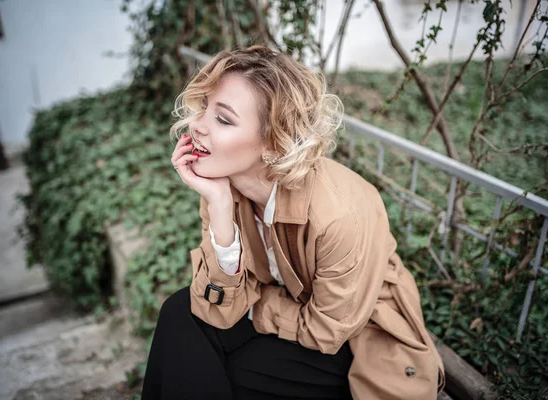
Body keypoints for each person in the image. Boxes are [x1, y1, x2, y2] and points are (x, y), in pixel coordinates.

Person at [141, 45, 445, 400]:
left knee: (220, 369)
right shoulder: (224, 188)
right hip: (292, 317)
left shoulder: (340, 214)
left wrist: (254, 305)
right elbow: (215, 307)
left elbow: (327, 332)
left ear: (274, 145)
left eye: (223, 119)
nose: (197, 124)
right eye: (205, 107)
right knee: (181, 314)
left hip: (355, 345)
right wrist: (221, 208)